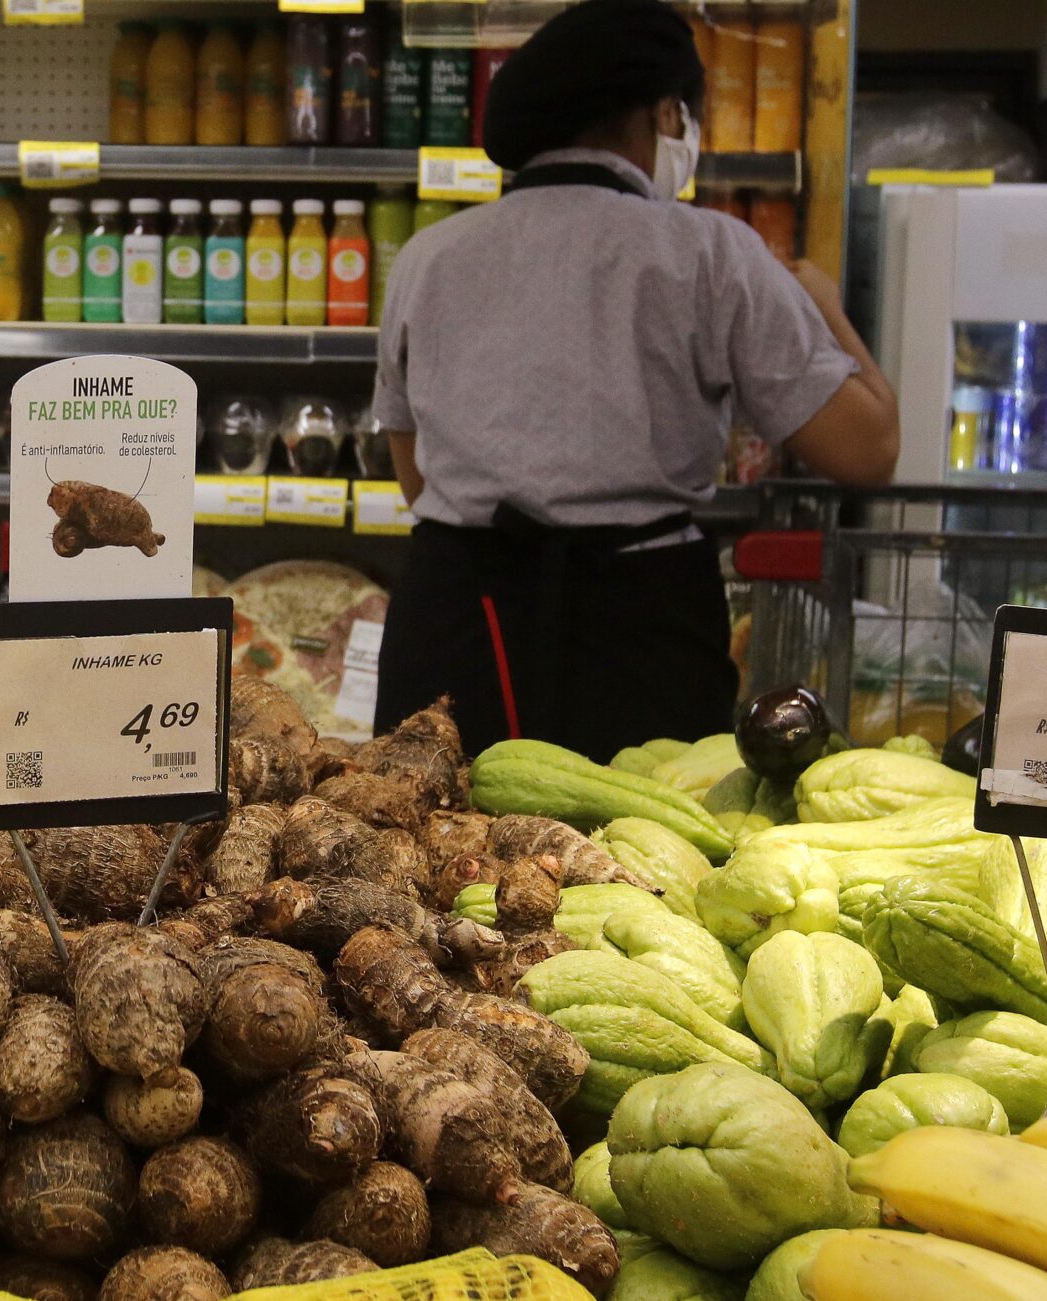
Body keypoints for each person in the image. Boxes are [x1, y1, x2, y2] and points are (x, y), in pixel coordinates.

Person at [370, 0, 897, 760]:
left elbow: (413, 471)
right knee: (647, 828)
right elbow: (869, 449)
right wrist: (826, 306)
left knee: (431, 823)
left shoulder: (430, 255)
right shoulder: (710, 252)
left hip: (459, 614)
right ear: (665, 114)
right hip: (642, 615)